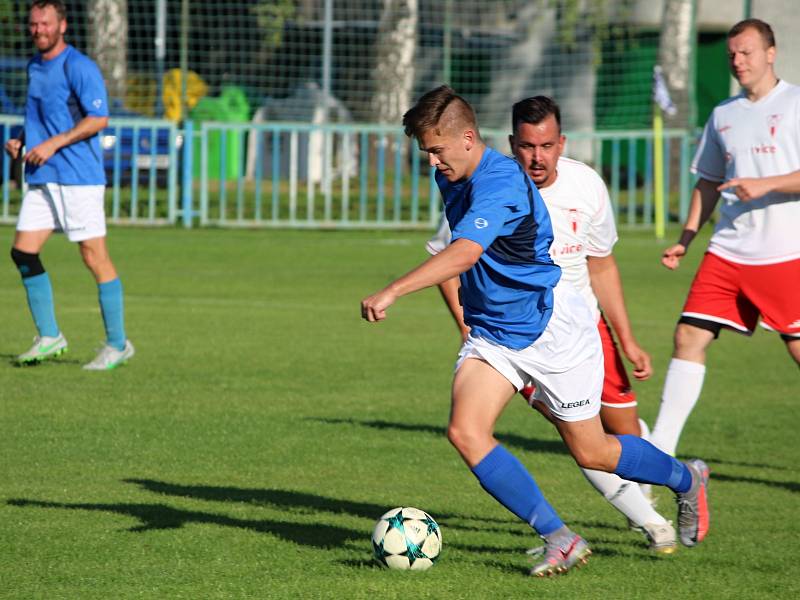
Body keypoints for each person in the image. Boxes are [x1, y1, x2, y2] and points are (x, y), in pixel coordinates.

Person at [361, 85, 710, 576]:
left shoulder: (499, 182)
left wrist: (394, 290)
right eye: (426, 153)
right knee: (466, 431)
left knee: (594, 451)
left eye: (436, 151)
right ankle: (560, 538)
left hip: (550, 330)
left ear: (466, 138)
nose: (433, 162)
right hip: (495, 334)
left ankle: (685, 478)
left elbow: (464, 253)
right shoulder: (454, 173)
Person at [427, 95, 676, 553]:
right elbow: (449, 258)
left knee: (608, 440)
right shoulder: (476, 180)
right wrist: (466, 325)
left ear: (561, 143)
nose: (536, 156)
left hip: (577, 327)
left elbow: (602, 264)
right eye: (526, 146)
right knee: (488, 432)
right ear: (511, 143)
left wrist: (627, 337)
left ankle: (683, 477)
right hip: (510, 332)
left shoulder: (585, 185)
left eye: (545, 145)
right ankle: (637, 525)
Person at [650, 19, 800, 457]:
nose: (738, 61)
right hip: (728, 251)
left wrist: (766, 184)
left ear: (771, 53)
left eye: (747, 52)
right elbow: (709, 183)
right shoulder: (724, 115)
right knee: (687, 338)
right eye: (732, 54)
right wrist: (687, 237)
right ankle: (660, 451)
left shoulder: (795, 104)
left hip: (784, 253)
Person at [5, 0, 134, 370]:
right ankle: (49, 337)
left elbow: (98, 119)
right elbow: (40, 118)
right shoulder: (33, 66)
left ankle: (117, 343)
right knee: (23, 253)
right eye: (33, 24)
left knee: (93, 256)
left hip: (78, 177)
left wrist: (52, 144)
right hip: (43, 177)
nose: (38, 30)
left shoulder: (79, 67)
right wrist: (21, 140)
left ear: (62, 25)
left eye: (45, 23)